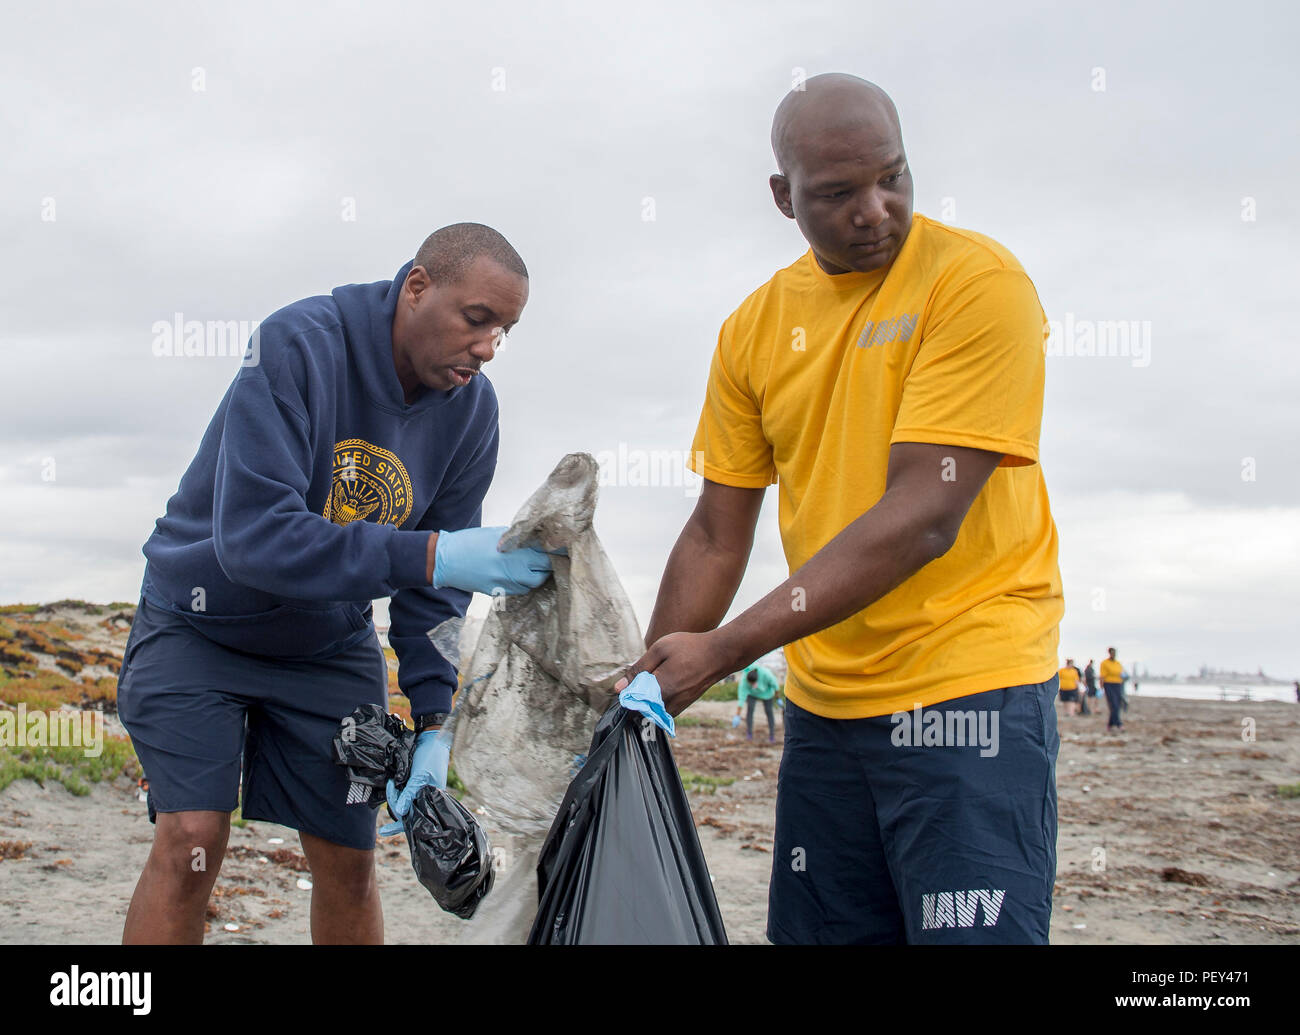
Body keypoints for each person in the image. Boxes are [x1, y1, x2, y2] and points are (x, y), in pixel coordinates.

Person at [616, 74, 1063, 944]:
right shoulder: (753, 329)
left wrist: (728, 648)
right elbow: (716, 531)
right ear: (783, 198)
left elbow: (925, 514)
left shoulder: (976, 284)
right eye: (839, 194)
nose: (877, 210)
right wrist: (649, 685)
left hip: (967, 687)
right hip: (825, 709)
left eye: (893, 177)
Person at [117, 224, 553, 944]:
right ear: (417, 286)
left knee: (350, 857)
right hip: (199, 622)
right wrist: (435, 554)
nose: (487, 347)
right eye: (477, 320)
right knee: (192, 838)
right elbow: (255, 539)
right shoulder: (299, 344)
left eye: (504, 330)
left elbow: (437, 589)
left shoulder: (474, 413)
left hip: (327, 641)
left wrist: (435, 718)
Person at [735, 663, 781, 742]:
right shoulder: (744, 681)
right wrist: (737, 715)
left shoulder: (766, 674)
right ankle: (749, 733)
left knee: (769, 711)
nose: (752, 684)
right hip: (752, 693)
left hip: (767, 693)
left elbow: (775, 686)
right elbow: (741, 698)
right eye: (750, 683)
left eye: (753, 683)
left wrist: (778, 698)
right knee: (750, 710)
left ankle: (772, 735)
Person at [1099, 647, 1125, 732]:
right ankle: (1119, 724)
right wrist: (1101, 687)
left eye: (1115, 653)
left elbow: (1122, 674)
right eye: (1112, 653)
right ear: (1109, 653)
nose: (1114, 654)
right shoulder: (1104, 663)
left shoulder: (1118, 663)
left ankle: (1110, 724)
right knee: (1113, 704)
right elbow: (1102, 676)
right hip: (1108, 684)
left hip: (1118, 684)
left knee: (1117, 704)